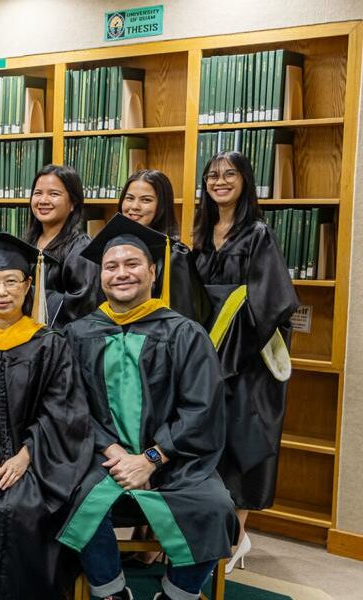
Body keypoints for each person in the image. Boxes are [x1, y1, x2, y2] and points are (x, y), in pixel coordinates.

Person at [57, 217, 237, 600]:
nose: (121, 273)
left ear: (152, 272)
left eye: (132, 264)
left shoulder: (185, 334)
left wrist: (151, 458)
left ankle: (177, 594)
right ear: (101, 276)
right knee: (71, 494)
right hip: (102, 459)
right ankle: (111, 591)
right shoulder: (78, 334)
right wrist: (116, 453)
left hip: (175, 460)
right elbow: (71, 406)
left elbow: (202, 409)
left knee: (216, 507)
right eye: (111, 266)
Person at [0, 233, 90, 600]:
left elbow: (63, 409)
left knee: (28, 503)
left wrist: (27, 454)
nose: (1, 292)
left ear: (28, 285)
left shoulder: (49, 342)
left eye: (11, 281)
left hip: (41, 459)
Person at [191, 151, 299, 571]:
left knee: (241, 442)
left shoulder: (257, 234)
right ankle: (203, 533)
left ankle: (234, 537)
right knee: (208, 442)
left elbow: (273, 301)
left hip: (247, 359)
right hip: (208, 354)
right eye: (212, 175)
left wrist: (232, 343)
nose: (220, 181)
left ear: (245, 181)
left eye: (229, 174)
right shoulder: (202, 235)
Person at [117, 169, 209, 325]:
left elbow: (184, 318)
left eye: (146, 200)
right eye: (129, 198)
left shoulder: (174, 254)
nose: (134, 206)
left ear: (162, 206)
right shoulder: (114, 248)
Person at [24, 164, 101, 327]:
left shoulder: (81, 248)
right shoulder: (27, 243)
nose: (43, 200)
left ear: (73, 203)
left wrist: (28, 297)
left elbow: (82, 306)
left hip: (60, 338)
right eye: (38, 193)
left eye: (54, 194)